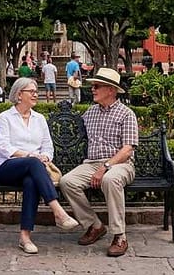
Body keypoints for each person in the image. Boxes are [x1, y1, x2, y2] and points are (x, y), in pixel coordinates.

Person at [0, 78, 79, 254]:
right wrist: (31, 156)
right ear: (19, 95)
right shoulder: (5, 117)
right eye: (30, 91)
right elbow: (4, 147)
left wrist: (45, 157)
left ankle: (25, 237)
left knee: (31, 182)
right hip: (7, 167)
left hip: (34, 168)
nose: (35, 94)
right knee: (33, 163)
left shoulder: (39, 119)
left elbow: (48, 147)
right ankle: (58, 211)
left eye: (35, 91)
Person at [60, 68, 138, 258]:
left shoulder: (126, 114)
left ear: (111, 90)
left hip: (120, 165)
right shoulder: (91, 112)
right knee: (67, 182)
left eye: (97, 86)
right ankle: (94, 225)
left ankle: (120, 236)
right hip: (92, 163)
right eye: (93, 86)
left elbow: (128, 149)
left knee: (109, 180)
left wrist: (106, 167)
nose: (92, 89)